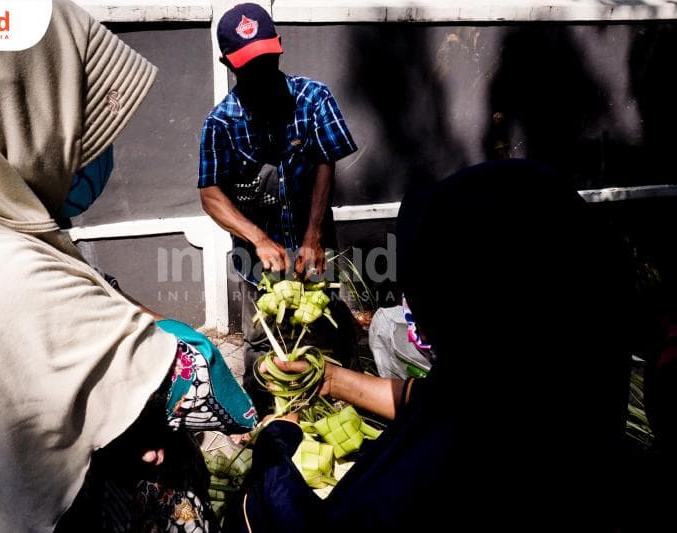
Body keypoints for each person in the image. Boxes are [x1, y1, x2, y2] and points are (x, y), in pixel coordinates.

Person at [0, 1, 255, 531]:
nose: (89, 147)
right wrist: (217, 367)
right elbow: (194, 388)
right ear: (11, 109)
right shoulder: (0, 273)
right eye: (69, 114)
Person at [228, 159, 637, 531]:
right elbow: (439, 404)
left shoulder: (444, 473)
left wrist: (275, 454)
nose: (413, 311)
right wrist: (331, 380)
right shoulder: (555, 373)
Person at [198, 3, 359, 415]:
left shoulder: (313, 97)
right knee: (262, 339)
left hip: (315, 241)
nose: (261, 72)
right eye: (249, 66)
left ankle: (345, 407)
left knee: (328, 324)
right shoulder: (220, 123)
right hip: (257, 256)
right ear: (227, 64)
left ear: (280, 46)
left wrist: (313, 235)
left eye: (268, 59)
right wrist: (259, 239)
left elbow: (326, 160)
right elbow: (211, 194)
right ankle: (269, 421)